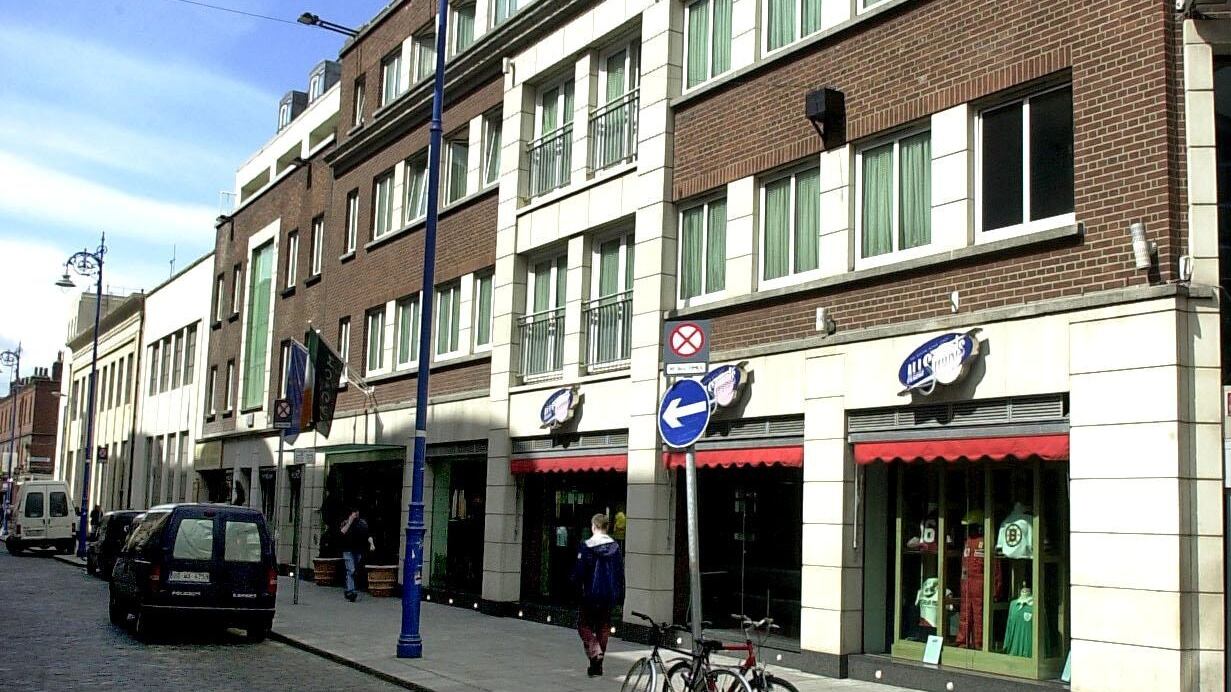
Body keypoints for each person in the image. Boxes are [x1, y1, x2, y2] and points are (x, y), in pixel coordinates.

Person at [570, 513, 625, 677]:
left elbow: (579, 572)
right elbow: (619, 573)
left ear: (593, 527)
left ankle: (595, 651)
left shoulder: (586, 547)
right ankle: (596, 666)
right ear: (607, 527)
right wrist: (620, 594)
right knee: (603, 627)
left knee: (583, 626)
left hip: (590, 594)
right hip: (608, 595)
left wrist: (574, 586)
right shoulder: (615, 548)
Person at [339, 506, 370, 602]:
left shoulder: (362, 523)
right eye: (353, 512)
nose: (355, 514)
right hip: (347, 550)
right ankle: (350, 591)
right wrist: (350, 521)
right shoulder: (346, 522)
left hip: (358, 550)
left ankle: (349, 588)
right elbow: (342, 532)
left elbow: (367, 534)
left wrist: (371, 544)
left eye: (356, 512)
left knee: (354, 571)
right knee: (351, 570)